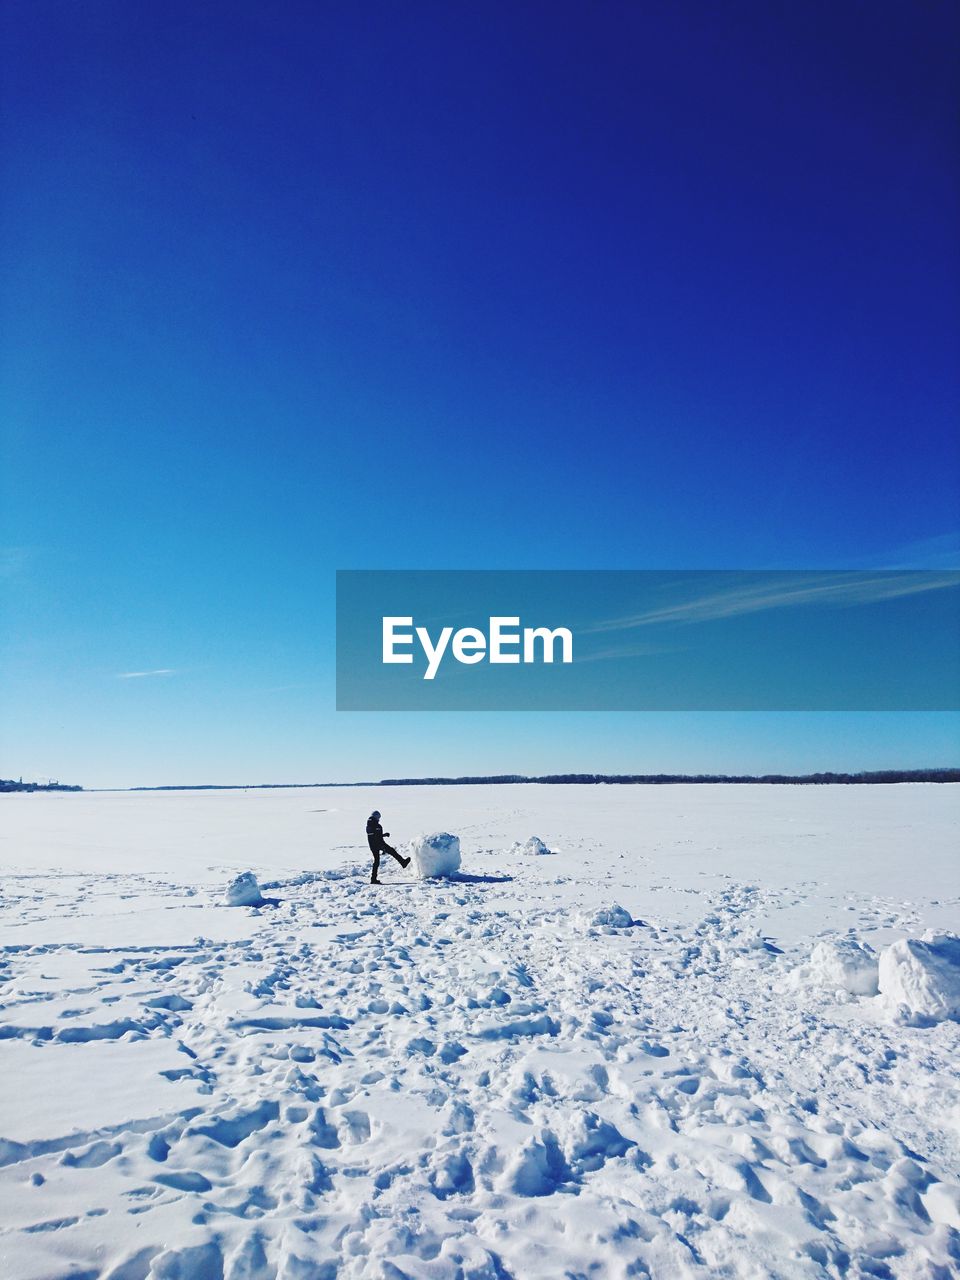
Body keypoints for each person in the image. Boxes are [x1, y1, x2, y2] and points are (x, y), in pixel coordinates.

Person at [365, 810, 410, 884]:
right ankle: (403, 862)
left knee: (376, 861)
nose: (379, 819)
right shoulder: (376, 825)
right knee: (392, 851)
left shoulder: (369, 825)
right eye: (378, 817)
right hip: (379, 844)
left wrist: (384, 835)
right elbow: (377, 836)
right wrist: (382, 846)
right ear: (376, 817)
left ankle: (373, 879)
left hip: (373, 846)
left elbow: (374, 835)